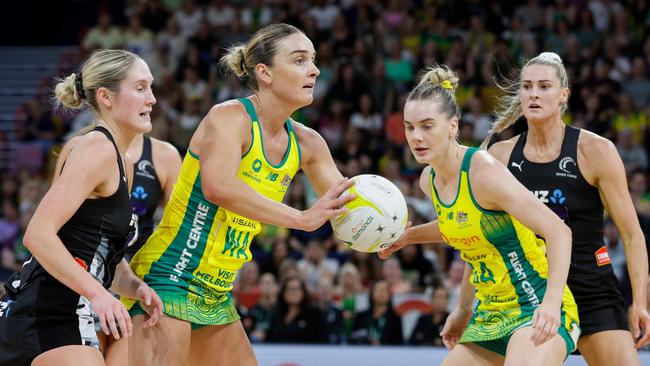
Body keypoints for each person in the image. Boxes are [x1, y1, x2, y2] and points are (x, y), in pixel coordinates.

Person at [125, 23, 355, 366]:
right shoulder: (230, 117)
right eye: (299, 60)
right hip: (169, 275)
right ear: (264, 72)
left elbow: (347, 207)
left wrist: (391, 231)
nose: (314, 69)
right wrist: (301, 218)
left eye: (313, 59)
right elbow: (219, 187)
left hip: (216, 292)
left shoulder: (308, 142)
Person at [379, 65, 580, 365]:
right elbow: (462, 228)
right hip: (490, 314)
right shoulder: (428, 180)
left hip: (536, 302)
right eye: (409, 127)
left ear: (452, 126)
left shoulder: (483, 172)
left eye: (427, 126)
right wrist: (462, 308)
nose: (416, 137)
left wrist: (551, 304)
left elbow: (559, 232)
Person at [483, 51, 650, 365]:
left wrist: (640, 302)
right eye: (527, 86)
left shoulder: (595, 150)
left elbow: (632, 236)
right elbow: (487, 230)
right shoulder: (501, 155)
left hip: (590, 289)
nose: (534, 93)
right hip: (529, 293)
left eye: (544, 86)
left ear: (563, 94)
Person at [0, 49, 163, 366]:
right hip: (51, 308)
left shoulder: (118, 160)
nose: (152, 99)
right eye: (141, 87)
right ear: (106, 96)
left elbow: (92, 248)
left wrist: (132, 284)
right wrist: (99, 294)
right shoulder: (95, 149)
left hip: (65, 306)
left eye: (152, 87)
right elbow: (38, 234)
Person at [101, 133, 182, 365]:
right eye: (140, 92)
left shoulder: (165, 155)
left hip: (137, 275)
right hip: (89, 272)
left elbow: (177, 227)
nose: (150, 99)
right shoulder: (84, 145)